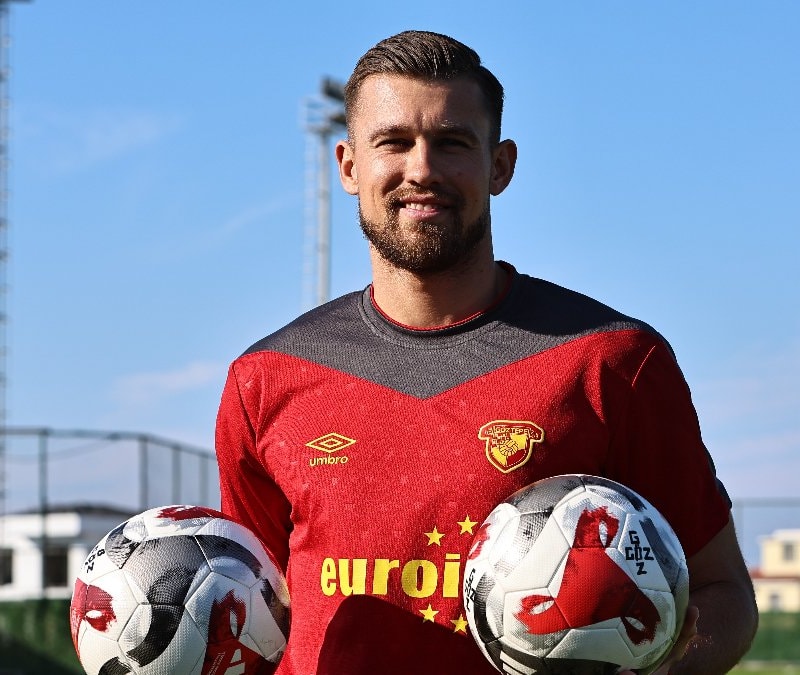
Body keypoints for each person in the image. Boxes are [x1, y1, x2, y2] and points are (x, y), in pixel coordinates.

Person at [215, 30, 757, 674]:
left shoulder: (610, 360)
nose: (422, 169)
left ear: (500, 165)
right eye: (393, 142)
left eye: (452, 142)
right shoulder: (266, 380)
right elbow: (249, 610)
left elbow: (724, 593)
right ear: (350, 166)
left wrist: (666, 670)